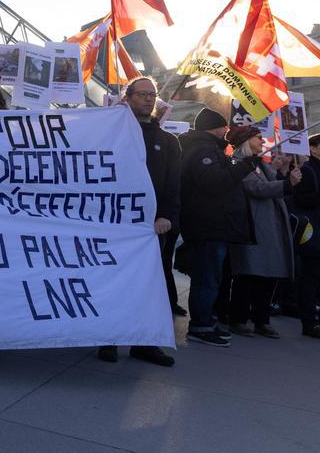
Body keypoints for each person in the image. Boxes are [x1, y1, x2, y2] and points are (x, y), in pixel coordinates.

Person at [98, 77, 179, 367]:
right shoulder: (109, 135)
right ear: (127, 97)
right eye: (142, 94)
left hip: (151, 228)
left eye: (152, 95)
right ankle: (107, 338)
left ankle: (144, 343)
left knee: (148, 286)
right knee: (112, 281)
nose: (148, 99)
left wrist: (166, 216)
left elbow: (173, 185)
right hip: (114, 223)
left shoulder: (168, 141)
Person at [179, 109, 258, 347]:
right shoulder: (202, 150)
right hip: (208, 226)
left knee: (210, 277)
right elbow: (214, 182)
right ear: (213, 127)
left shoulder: (209, 149)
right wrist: (244, 167)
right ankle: (201, 326)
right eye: (223, 127)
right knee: (207, 279)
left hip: (213, 226)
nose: (227, 131)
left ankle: (206, 321)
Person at [226, 125, 300, 338]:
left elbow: (269, 182)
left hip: (269, 226)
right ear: (245, 141)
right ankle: (238, 319)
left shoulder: (258, 162)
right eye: (258, 138)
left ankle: (261, 319)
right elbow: (256, 188)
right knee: (248, 275)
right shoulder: (236, 161)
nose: (262, 142)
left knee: (266, 277)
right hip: (253, 226)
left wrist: (283, 172)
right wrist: (287, 184)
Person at [293, 134, 320, 338]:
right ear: (313, 149)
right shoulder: (307, 170)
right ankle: (309, 323)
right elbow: (299, 201)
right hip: (315, 232)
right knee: (310, 277)